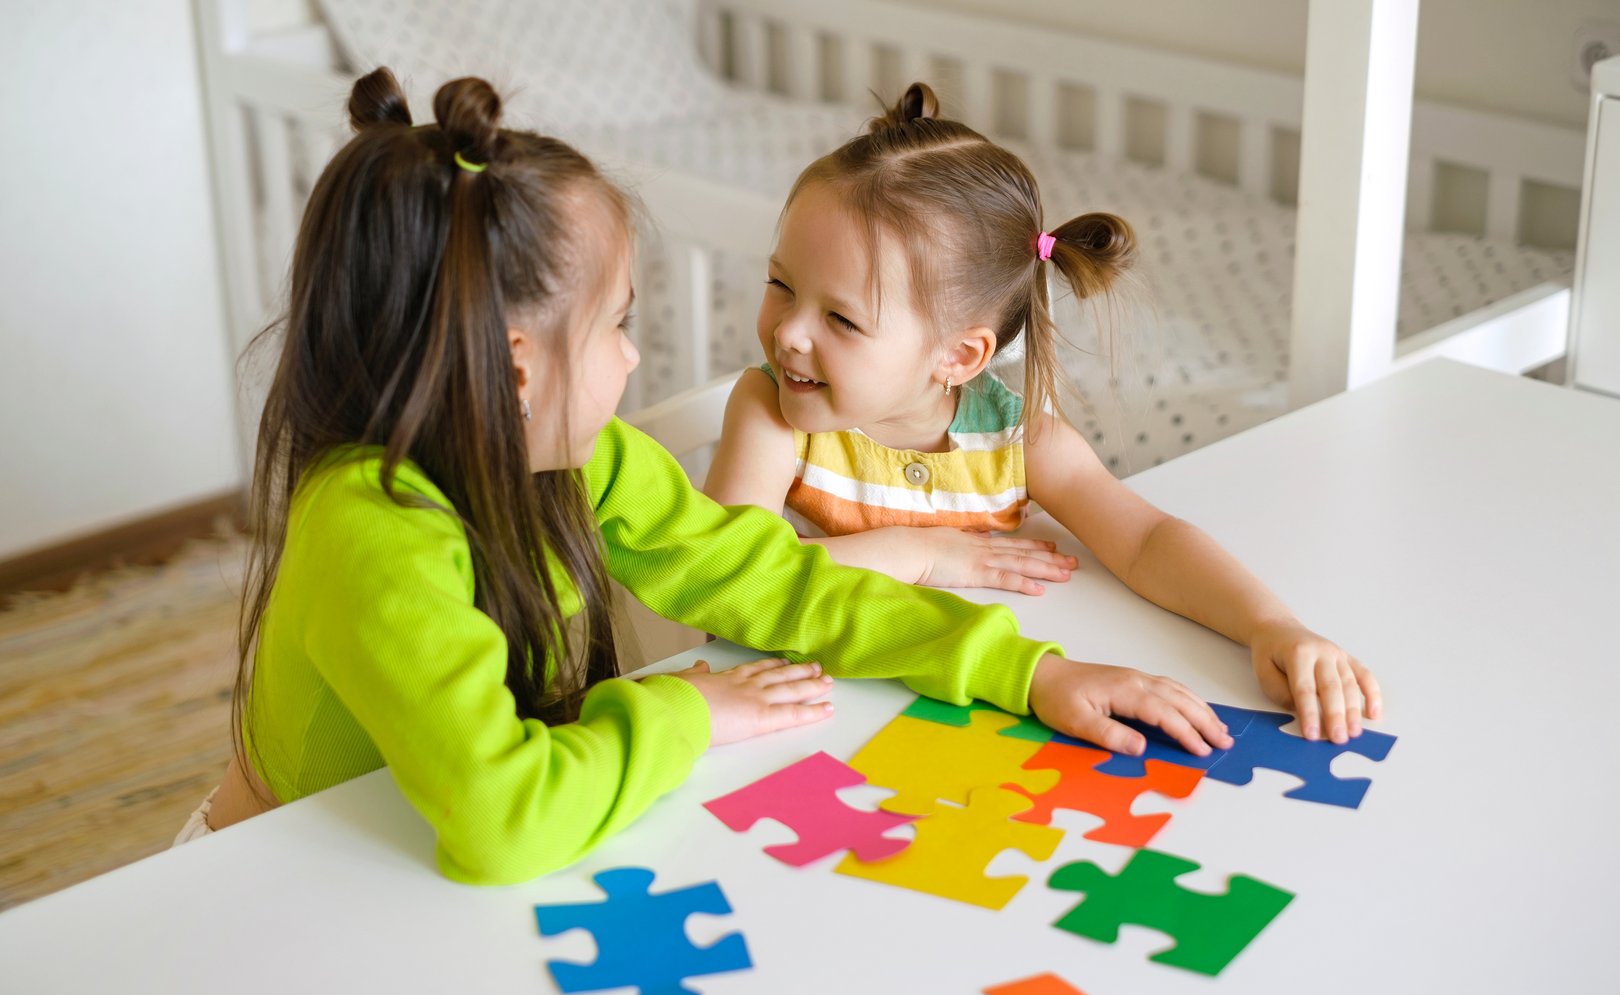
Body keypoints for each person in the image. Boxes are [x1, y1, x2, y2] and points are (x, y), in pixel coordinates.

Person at [185, 70, 1231, 884]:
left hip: (426, 850)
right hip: (280, 883)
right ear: (516, 365)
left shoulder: (581, 457)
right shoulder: (374, 532)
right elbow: (503, 821)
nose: (635, 360)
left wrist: (1028, 672)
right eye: (619, 326)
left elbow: (774, 579)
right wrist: (690, 712)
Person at [705, 83, 1381, 747]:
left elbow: (1145, 541)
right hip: (814, 718)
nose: (790, 332)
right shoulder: (770, 417)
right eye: (781, 285)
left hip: (992, 711)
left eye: (841, 319)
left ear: (958, 356)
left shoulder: (1020, 440)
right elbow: (737, 590)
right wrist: (923, 553)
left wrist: (1271, 626)